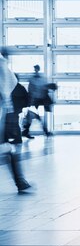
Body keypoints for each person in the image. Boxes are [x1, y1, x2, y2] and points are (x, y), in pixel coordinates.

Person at [0, 48, 31, 192]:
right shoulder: (3, 66)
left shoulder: (2, 65)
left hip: (3, 115)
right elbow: (10, 84)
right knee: (7, 150)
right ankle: (20, 181)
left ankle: (20, 181)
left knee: (6, 149)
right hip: (4, 115)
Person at [22, 64, 54, 138]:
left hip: (38, 101)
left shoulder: (41, 79)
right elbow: (31, 90)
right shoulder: (35, 79)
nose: (35, 70)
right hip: (35, 101)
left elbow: (41, 90)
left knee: (34, 117)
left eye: (36, 69)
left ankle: (27, 132)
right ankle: (44, 132)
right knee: (33, 117)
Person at [5, 74, 29, 144]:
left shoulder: (15, 87)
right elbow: (26, 98)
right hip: (15, 108)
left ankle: (17, 138)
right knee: (12, 123)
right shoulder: (19, 87)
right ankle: (15, 138)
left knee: (12, 123)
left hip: (14, 108)